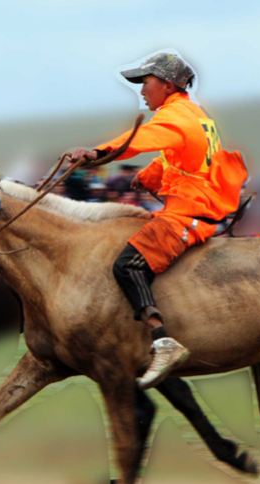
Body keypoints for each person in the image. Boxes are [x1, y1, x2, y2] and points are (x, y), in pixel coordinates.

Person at [68, 52, 247, 389]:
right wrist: (148, 176)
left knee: (127, 265)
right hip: (191, 203)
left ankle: (163, 342)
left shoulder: (175, 116)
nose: (141, 91)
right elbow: (176, 154)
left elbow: (140, 141)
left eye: (145, 83)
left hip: (188, 212)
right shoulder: (193, 113)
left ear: (166, 85)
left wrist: (95, 153)